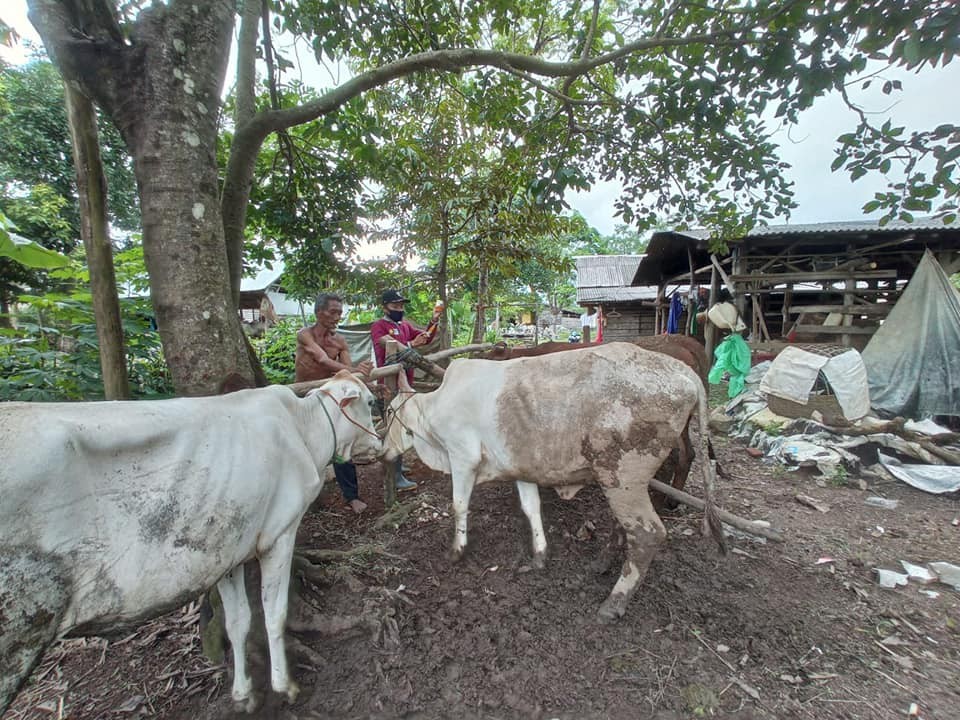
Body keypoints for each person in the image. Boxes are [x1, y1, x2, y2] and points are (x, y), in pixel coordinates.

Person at [295, 292, 373, 514]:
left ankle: (351, 496)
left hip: (329, 398)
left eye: (340, 312)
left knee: (342, 443)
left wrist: (362, 374)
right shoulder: (305, 335)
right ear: (319, 312)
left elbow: (347, 372)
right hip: (304, 397)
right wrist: (355, 370)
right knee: (302, 444)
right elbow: (322, 359)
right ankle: (304, 494)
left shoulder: (340, 341)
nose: (337, 317)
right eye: (333, 312)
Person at [370, 289, 442, 490]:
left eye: (401, 306)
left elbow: (424, 338)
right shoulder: (379, 326)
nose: (399, 309)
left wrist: (433, 322)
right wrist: (411, 344)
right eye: (395, 306)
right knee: (393, 427)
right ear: (385, 307)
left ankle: (396, 467)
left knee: (400, 425)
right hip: (387, 384)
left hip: (404, 383)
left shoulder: (404, 325)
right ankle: (394, 474)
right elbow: (388, 350)